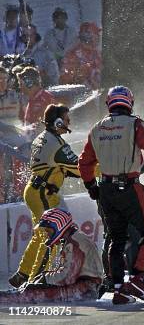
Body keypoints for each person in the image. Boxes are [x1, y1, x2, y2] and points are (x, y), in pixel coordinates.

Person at [78, 86, 144, 305]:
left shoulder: (96, 128)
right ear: (129, 103)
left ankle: (118, 289)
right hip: (130, 188)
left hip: (105, 190)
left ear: (109, 104)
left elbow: (84, 162)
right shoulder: (135, 123)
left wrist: (91, 187)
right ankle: (136, 278)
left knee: (117, 240)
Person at [7, 104, 79, 288]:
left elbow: (53, 166)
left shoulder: (43, 137)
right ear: (58, 122)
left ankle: (23, 274)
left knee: (40, 236)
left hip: (36, 190)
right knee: (52, 236)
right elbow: (79, 167)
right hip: (44, 194)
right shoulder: (58, 144)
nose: (69, 121)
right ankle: (36, 281)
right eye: (66, 118)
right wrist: (108, 169)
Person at [0, 208, 104, 303]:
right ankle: (15, 293)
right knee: (32, 288)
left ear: (58, 225)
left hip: (84, 289)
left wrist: (45, 279)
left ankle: (9, 297)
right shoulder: (73, 239)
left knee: (33, 293)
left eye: (48, 230)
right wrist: (44, 278)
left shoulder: (74, 242)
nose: (47, 234)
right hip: (83, 287)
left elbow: (67, 278)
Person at [60, 22, 102, 89]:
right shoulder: (73, 55)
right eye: (96, 34)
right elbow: (64, 80)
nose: (98, 37)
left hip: (97, 93)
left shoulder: (97, 53)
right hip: (81, 95)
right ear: (88, 37)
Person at [17, 66, 55, 131]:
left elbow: (46, 125)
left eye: (21, 84)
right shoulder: (33, 99)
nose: (19, 87)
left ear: (29, 83)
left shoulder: (44, 98)